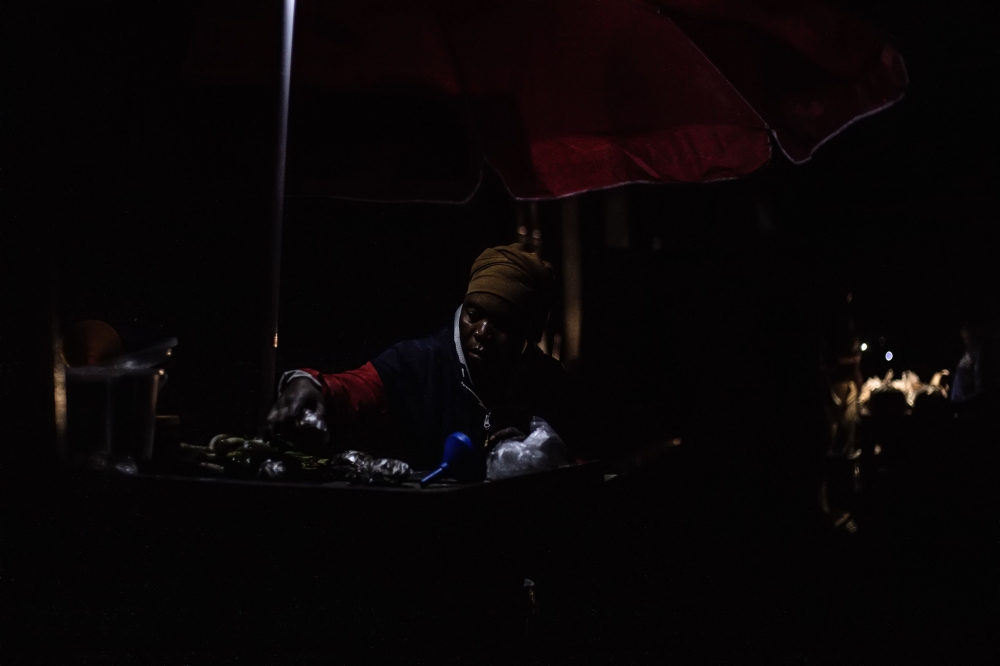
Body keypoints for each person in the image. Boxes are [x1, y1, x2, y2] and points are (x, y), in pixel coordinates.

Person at [266, 243, 585, 471]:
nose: (483, 331)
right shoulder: (417, 363)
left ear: (528, 333)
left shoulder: (551, 385)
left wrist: (545, 457)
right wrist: (309, 383)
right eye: (474, 313)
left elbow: (591, 461)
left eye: (503, 323)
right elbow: (355, 387)